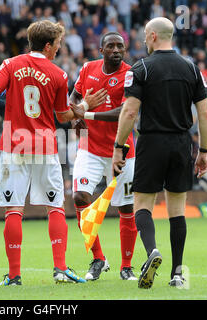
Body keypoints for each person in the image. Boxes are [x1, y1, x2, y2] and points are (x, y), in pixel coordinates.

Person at [0, 19, 106, 285]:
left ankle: (14, 276)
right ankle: (60, 269)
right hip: (44, 146)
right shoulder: (58, 74)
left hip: (13, 146)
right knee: (55, 207)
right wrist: (83, 106)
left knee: (14, 209)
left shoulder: (10, 64)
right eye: (58, 44)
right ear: (48, 45)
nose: (60, 48)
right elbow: (63, 116)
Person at [111, 17, 207, 289]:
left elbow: (130, 111)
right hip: (182, 143)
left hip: (152, 142)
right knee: (176, 209)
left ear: (153, 36)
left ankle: (152, 251)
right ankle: (177, 273)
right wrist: (203, 150)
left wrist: (119, 147)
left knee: (142, 204)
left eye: (145, 35)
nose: (144, 40)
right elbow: (204, 113)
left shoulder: (141, 67)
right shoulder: (192, 67)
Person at [69, 32, 138, 281]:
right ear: (101, 50)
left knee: (126, 206)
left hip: (123, 149)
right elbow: (74, 97)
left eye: (120, 46)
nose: (116, 50)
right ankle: (99, 258)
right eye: (111, 46)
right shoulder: (88, 68)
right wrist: (77, 110)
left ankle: (126, 265)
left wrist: (83, 115)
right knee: (79, 197)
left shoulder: (131, 74)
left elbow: (125, 111)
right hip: (90, 148)